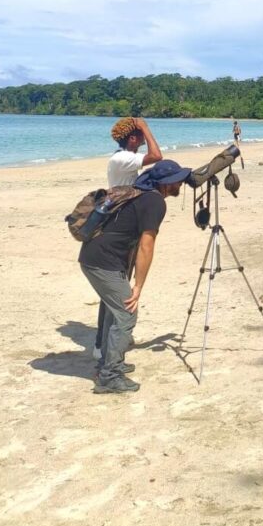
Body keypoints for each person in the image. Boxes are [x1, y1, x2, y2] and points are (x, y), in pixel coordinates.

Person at [80, 159, 192, 394]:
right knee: (127, 313)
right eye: (177, 179)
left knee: (114, 311)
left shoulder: (141, 194)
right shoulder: (154, 202)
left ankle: (110, 362)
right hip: (103, 262)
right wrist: (138, 285)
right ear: (166, 183)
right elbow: (146, 246)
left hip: (96, 257)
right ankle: (109, 376)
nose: (181, 183)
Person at [93, 117, 164, 360]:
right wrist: (145, 126)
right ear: (133, 137)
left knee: (118, 284)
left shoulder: (124, 158)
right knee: (115, 289)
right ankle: (101, 346)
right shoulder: (122, 158)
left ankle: (109, 340)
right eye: (140, 135)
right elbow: (157, 156)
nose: (144, 140)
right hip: (118, 226)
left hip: (125, 222)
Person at [108, 117, 163, 187]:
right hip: (125, 198)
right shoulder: (123, 157)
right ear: (133, 138)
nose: (144, 135)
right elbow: (156, 156)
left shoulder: (124, 155)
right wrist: (144, 128)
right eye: (142, 133)